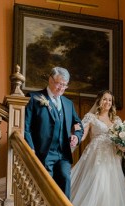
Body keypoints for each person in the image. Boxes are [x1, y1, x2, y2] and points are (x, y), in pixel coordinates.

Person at [69, 90, 125, 206]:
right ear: (99, 101)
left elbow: (120, 141)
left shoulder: (117, 121)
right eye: (105, 99)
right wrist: (75, 138)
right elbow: (82, 135)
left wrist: (124, 144)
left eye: (110, 100)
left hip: (112, 158)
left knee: (111, 188)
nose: (107, 102)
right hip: (96, 155)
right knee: (97, 183)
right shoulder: (91, 117)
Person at [24, 66, 83, 198]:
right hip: (43, 153)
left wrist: (77, 136)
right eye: (59, 84)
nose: (61, 88)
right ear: (50, 80)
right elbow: (25, 126)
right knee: (45, 188)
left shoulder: (68, 103)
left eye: (64, 85)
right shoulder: (34, 98)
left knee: (65, 180)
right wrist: (31, 149)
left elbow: (78, 124)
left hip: (63, 154)